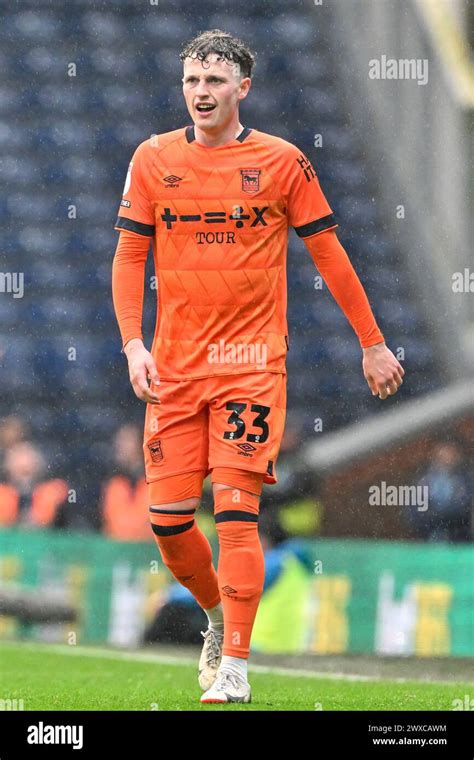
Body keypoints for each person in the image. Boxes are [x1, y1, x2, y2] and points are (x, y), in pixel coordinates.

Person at [112, 29, 404, 704]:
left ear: (243, 87)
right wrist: (134, 344)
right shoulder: (153, 160)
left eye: (215, 81)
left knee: (238, 512)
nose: (201, 93)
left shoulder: (282, 163)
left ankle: (236, 668)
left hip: (250, 365)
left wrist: (373, 341)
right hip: (175, 371)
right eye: (192, 81)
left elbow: (329, 253)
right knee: (169, 522)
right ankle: (215, 614)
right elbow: (130, 258)